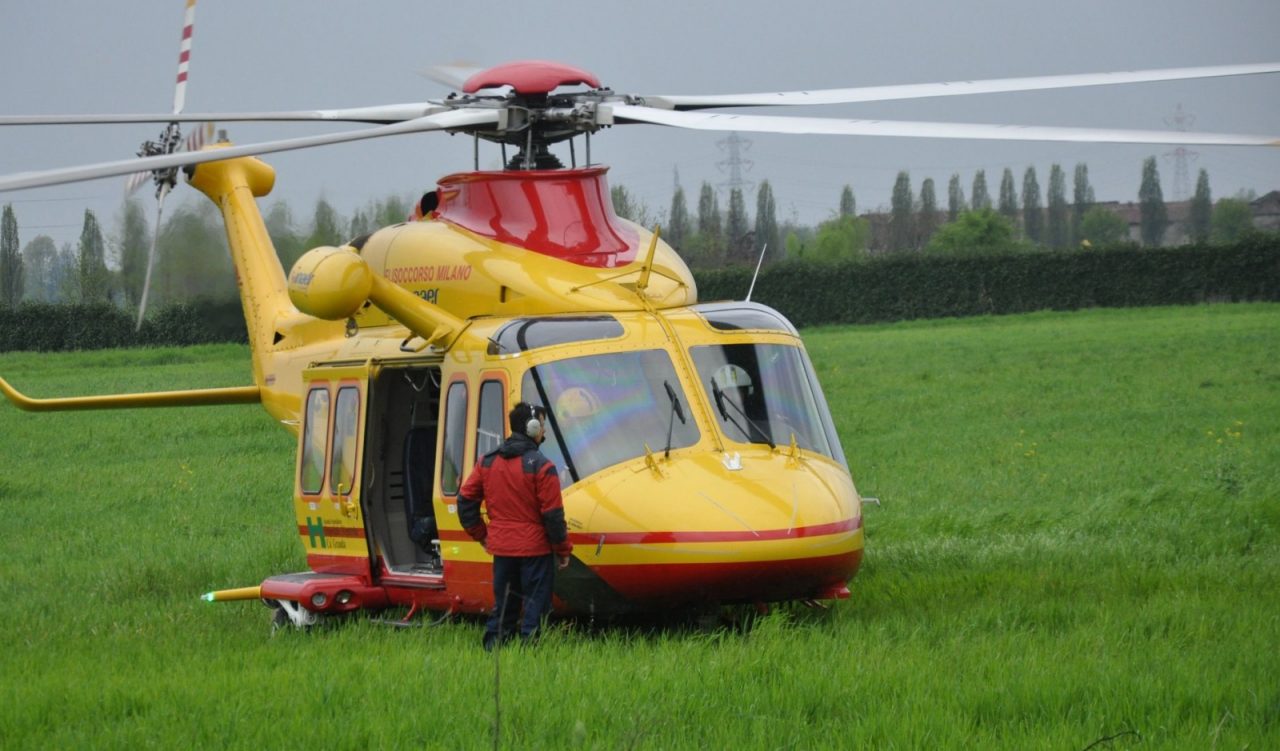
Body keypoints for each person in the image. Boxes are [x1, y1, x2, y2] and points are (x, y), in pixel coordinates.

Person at [457, 402, 573, 649]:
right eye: (542, 425)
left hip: (502, 550)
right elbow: (553, 516)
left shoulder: (487, 462)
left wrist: (482, 535)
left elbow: (465, 500)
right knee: (535, 606)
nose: (544, 431)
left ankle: (493, 651)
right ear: (532, 428)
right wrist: (563, 550)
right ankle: (530, 656)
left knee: (505, 604)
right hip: (536, 552)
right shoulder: (543, 467)